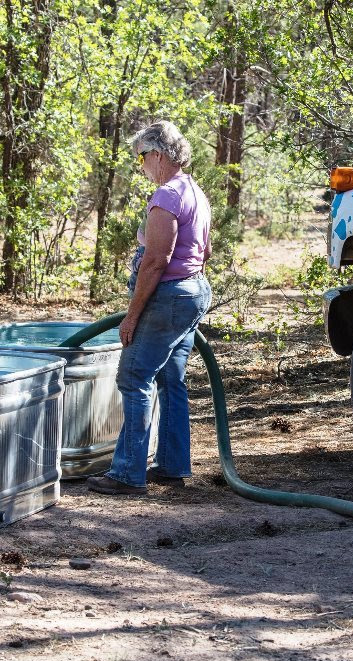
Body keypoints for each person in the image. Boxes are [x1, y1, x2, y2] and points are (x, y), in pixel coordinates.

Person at [87, 121, 212, 495]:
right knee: (171, 379)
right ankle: (172, 466)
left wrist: (133, 314)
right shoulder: (194, 192)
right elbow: (203, 251)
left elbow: (156, 262)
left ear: (158, 154)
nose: (140, 163)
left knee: (134, 375)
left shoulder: (167, 196)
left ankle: (127, 473)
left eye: (142, 155)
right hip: (193, 292)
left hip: (169, 296)